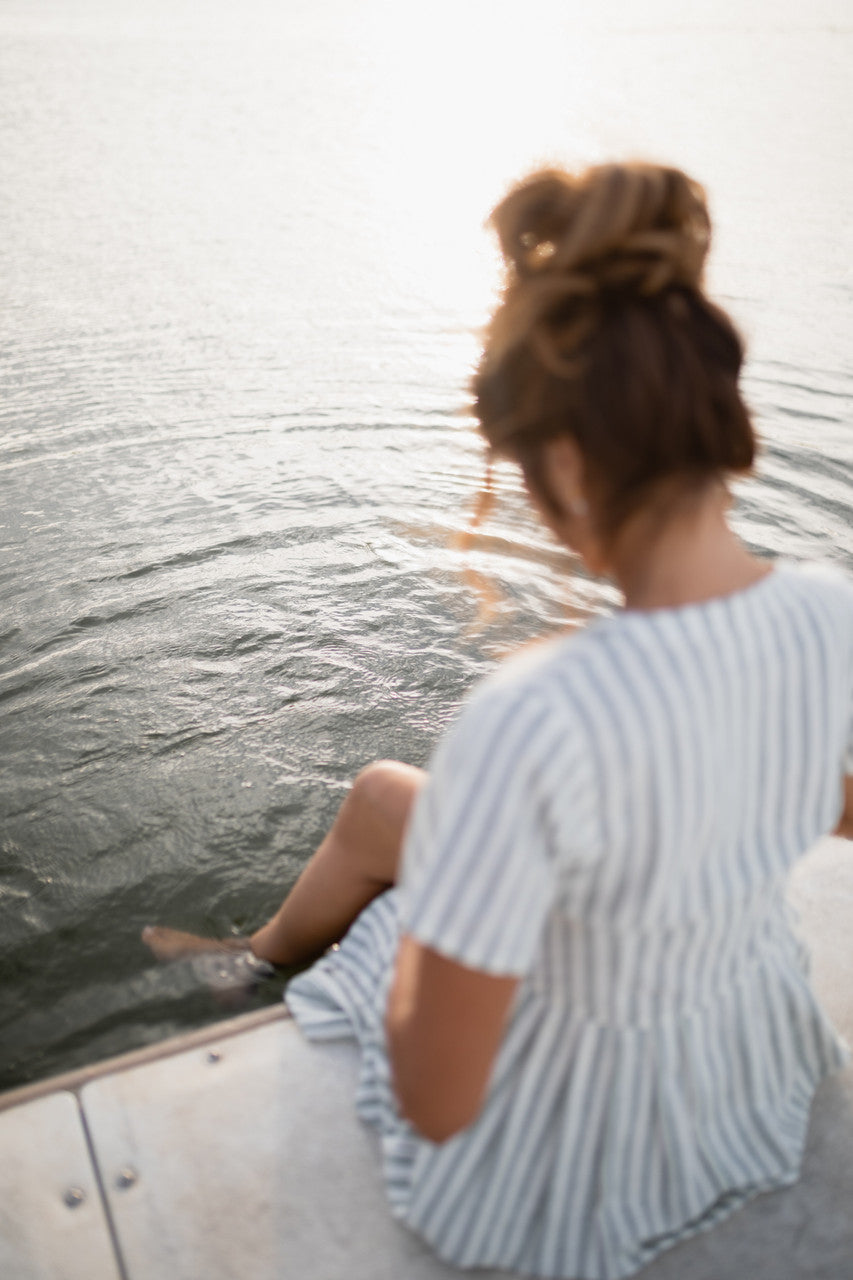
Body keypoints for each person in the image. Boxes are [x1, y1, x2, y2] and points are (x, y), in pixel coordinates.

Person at [144, 161, 853, 1280]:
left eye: (520, 470)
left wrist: (467, 906)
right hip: (743, 1069)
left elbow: (436, 1099)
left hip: (580, 1154)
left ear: (565, 463)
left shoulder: (532, 713)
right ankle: (248, 955)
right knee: (385, 796)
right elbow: (829, 802)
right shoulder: (831, 613)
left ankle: (243, 967)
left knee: (388, 856)